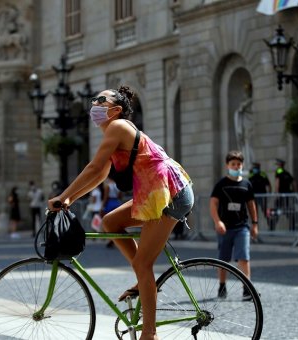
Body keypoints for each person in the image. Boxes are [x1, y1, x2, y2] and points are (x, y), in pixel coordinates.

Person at [48, 85, 193, 340]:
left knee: (143, 262)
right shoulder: (113, 133)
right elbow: (101, 174)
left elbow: (93, 168)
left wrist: (62, 196)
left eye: (99, 100)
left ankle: (150, 333)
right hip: (157, 193)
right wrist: (69, 198)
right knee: (110, 221)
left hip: (172, 194)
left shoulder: (118, 127)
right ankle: (143, 278)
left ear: (115, 110)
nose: (93, 104)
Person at [209, 151, 259, 301]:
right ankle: (222, 286)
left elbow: (251, 205)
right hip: (225, 227)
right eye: (233, 164)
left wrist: (255, 224)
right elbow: (213, 203)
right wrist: (217, 221)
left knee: (244, 257)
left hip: (241, 227)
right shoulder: (221, 184)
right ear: (227, 165)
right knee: (223, 259)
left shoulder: (246, 184)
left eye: (238, 164)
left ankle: (246, 289)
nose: (236, 166)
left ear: (242, 165)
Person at [273, 158, 298, 230]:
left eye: (277, 164)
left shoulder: (278, 171)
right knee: (288, 210)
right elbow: (294, 182)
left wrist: (276, 193)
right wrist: (295, 192)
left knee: (276, 211)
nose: (277, 166)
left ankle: (272, 227)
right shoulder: (287, 173)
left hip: (280, 195)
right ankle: (292, 227)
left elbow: (277, 183)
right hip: (288, 194)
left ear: (280, 165)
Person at [233, 83, 254, 166]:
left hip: (249, 124)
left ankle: (250, 162)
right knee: (245, 142)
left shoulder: (249, 102)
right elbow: (240, 110)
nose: (245, 94)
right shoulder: (245, 103)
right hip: (245, 123)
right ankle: (247, 163)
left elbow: (243, 108)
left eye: (247, 92)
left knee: (249, 142)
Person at [102, 178, 123, 248]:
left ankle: (111, 239)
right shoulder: (117, 186)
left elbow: (106, 197)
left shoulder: (108, 186)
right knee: (117, 222)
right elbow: (120, 196)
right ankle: (115, 239)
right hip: (117, 203)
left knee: (108, 222)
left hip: (110, 203)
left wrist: (102, 207)